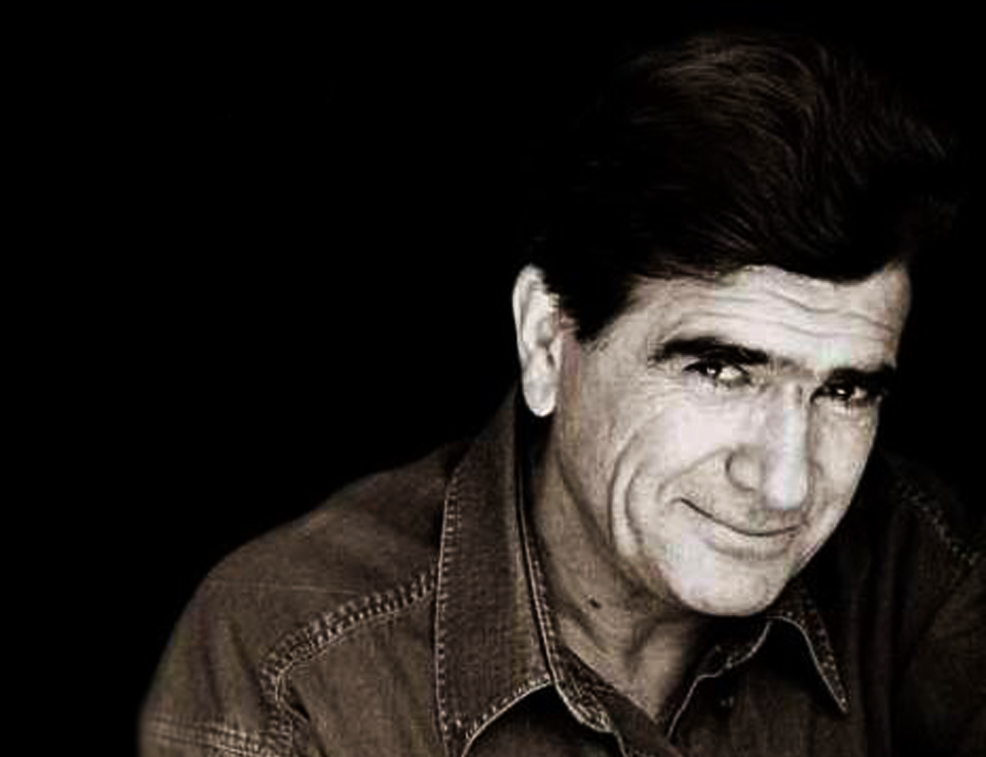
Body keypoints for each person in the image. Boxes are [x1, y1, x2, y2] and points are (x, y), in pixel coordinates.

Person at [139, 28, 983, 756]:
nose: (785, 484)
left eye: (846, 391)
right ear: (548, 341)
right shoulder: (294, 666)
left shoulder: (921, 574)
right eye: (721, 371)